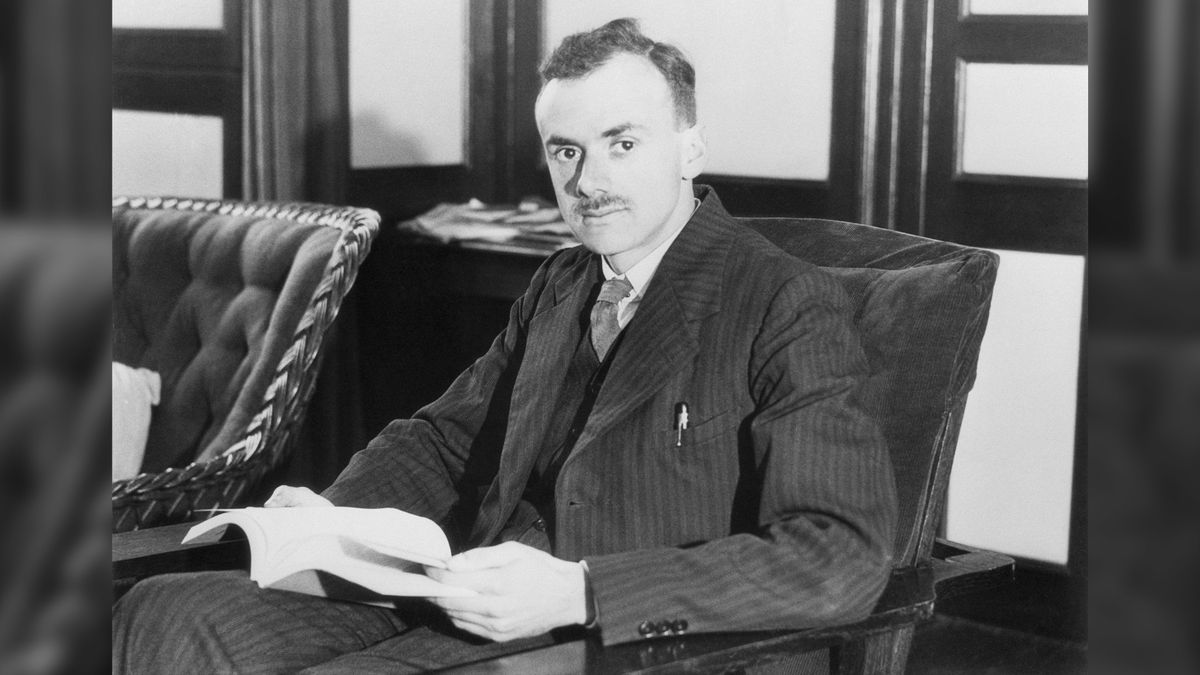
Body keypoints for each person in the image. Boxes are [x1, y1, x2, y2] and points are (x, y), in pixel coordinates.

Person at [113, 18, 897, 673]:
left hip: (611, 639)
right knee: (163, 615)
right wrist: (330, 517)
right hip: (468, 588)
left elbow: (842, 552)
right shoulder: (562, 282)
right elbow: (447, 436)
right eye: (566, 151)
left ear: (690, 149)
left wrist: (583, 589)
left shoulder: (784, 300)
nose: (588, 179)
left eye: (622, 143)